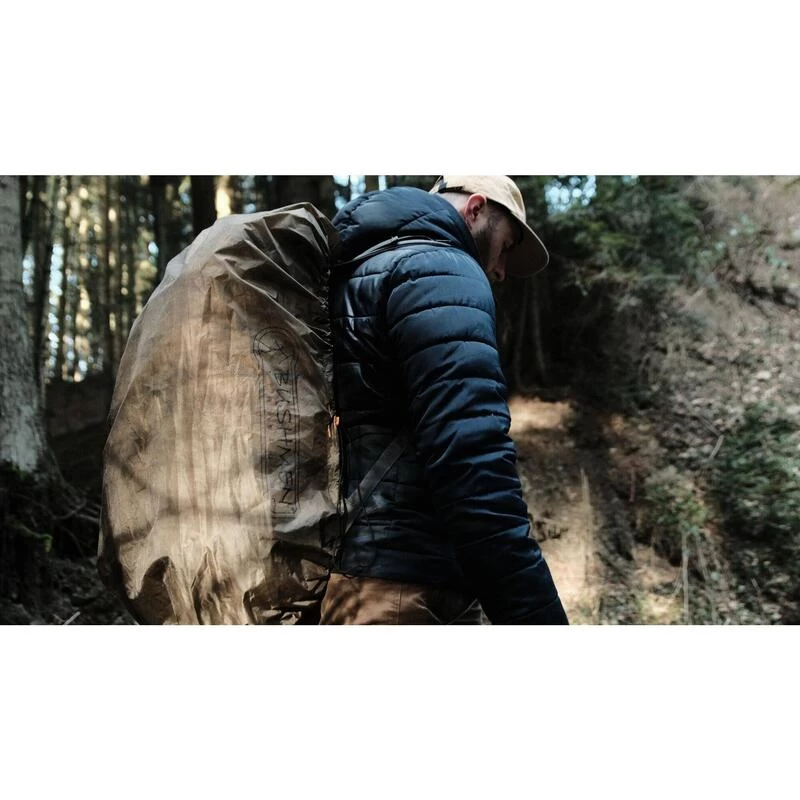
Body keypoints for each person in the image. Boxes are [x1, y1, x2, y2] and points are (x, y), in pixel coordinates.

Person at [321, 176, 568, 625]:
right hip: (409, 591)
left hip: (346, 576)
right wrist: (536, 616)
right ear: (475, 209)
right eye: (507, 246)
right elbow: (472, 465)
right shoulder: (444, 270)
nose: (501, 270)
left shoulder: (352, 269)